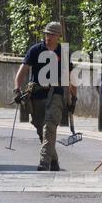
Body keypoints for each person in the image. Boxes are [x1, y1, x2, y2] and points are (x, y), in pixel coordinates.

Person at [14, 21, 76, 171]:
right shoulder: (35, 50)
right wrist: (17, 89)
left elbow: (70, 77)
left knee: (49, 127)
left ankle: (44, 163)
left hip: (56, 94)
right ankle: (53, 160)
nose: (48, 36)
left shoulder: (63, 53)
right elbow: (22, 71)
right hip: (36, 95)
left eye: (52, 34)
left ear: (58, 36)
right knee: (40, 127)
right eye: (47, 33)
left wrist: (73, 98)